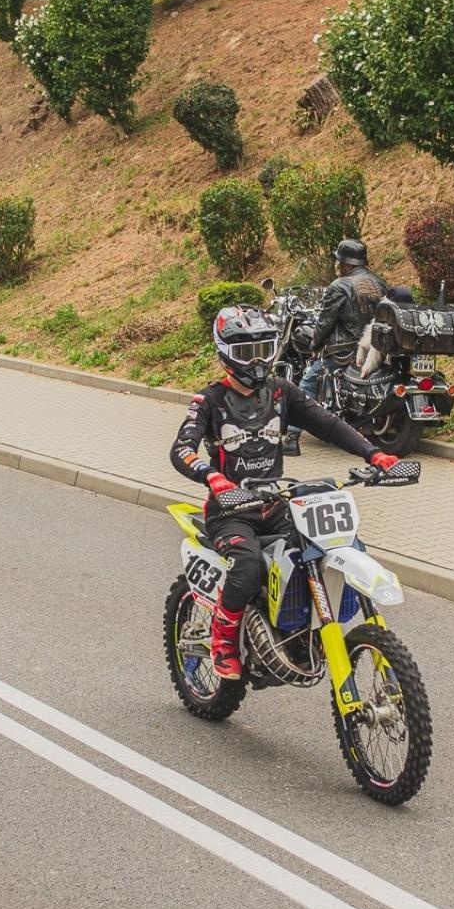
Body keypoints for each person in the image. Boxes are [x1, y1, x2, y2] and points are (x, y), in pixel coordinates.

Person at [170, 305, 399, 680]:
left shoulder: (282, 391)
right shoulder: (209, 400)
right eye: (246, 352)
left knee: (328, 545)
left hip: (275, 504)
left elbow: (328, 424)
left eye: (264, 348)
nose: (257, 361)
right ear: (225, 353)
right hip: (229, 511)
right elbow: (181, 449)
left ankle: (299, 626)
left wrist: (374, 454)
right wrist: (212, 477)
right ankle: (224, 641)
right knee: (245, 567)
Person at [282, 239, 389, 456]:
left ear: (345, 263)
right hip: (376, 348)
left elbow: (325, 322)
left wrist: (315, 345)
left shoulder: (339, 286)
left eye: (339, 261)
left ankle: (292, 438)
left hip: (345, 351)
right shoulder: (380, 284)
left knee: (308, 381)